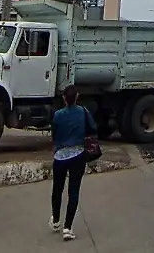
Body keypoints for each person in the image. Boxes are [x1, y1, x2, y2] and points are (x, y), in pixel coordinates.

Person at [50, 85, 91, 239]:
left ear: (64, 98)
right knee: (73, 191)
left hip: (60, 156)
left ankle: (55, 220)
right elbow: (92, 128)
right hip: (78, 154)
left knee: (57, 189)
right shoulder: (83, 111)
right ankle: (68, 228)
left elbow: (54, 135)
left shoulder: (58, 115)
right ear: (77, 97)